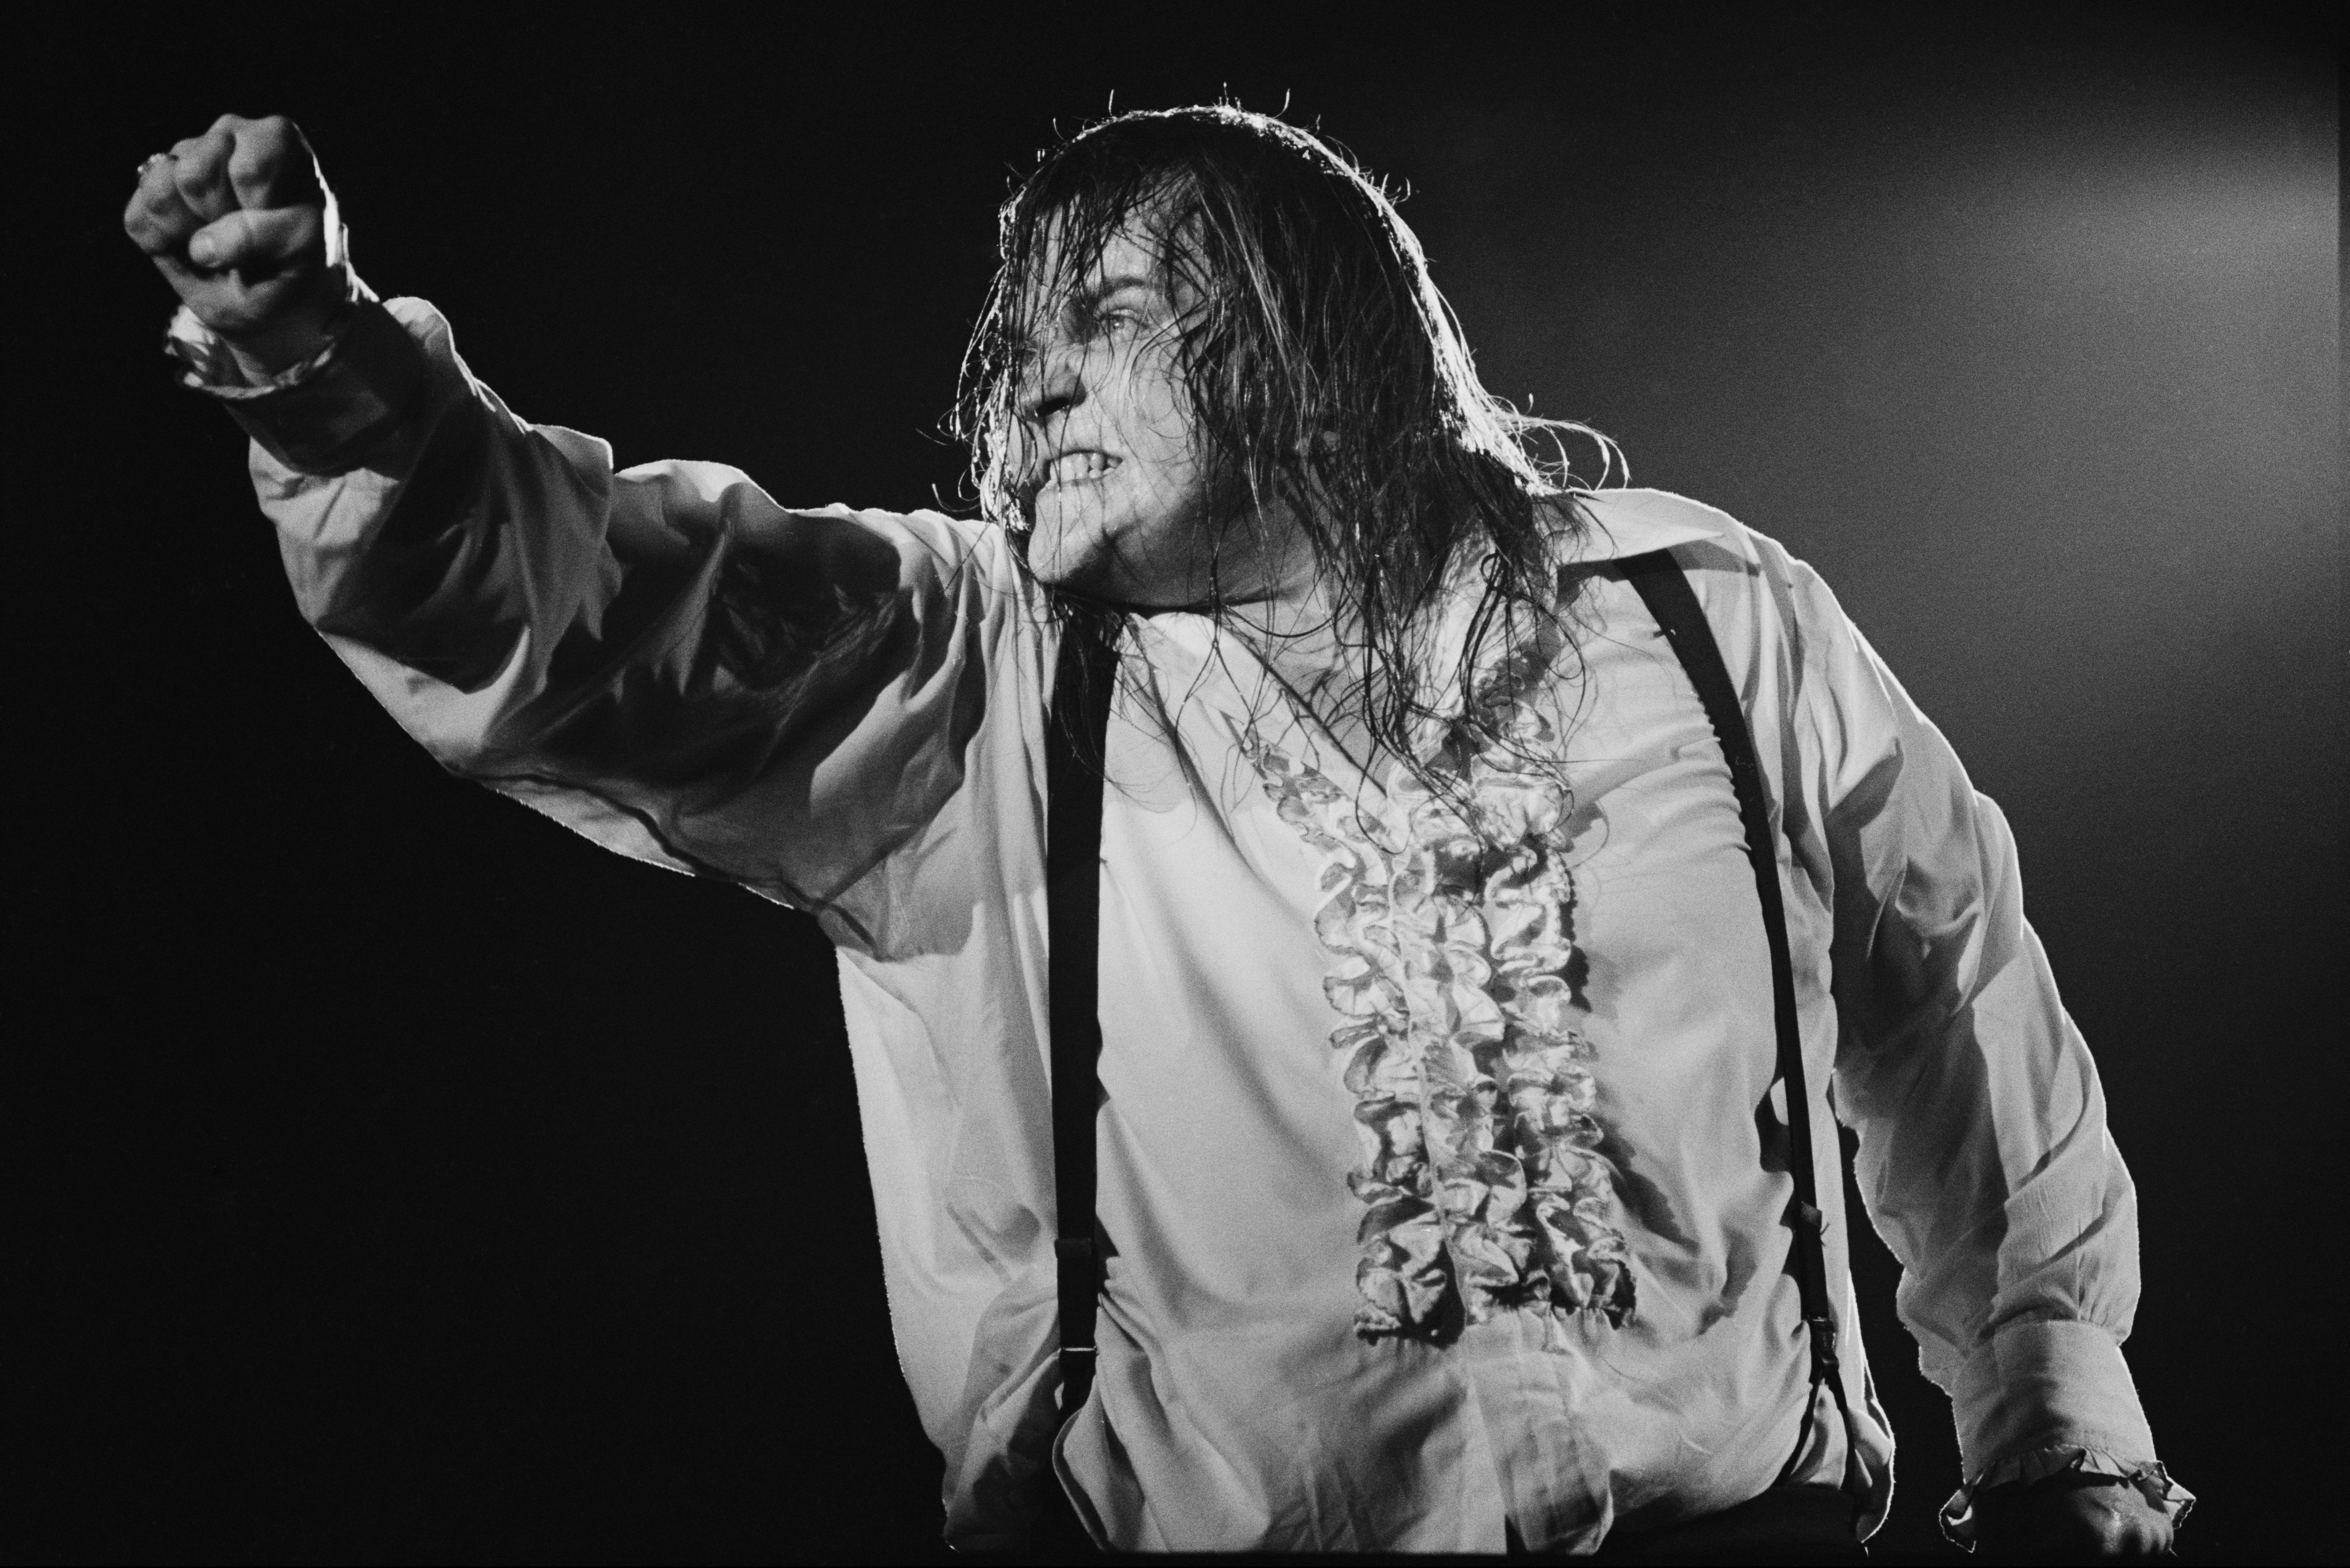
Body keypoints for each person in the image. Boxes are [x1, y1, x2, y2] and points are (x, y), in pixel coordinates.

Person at [125, 104, 2191, 1560]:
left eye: (1092, 313)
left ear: (1308, 340)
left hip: (1743, 1541)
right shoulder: (968, 667)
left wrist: (2048, 1420)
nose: (1019, 385)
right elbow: (584, 619)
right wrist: (328, 375)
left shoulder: (1701, 611)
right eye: (1007, 337)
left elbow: (1949, 992)